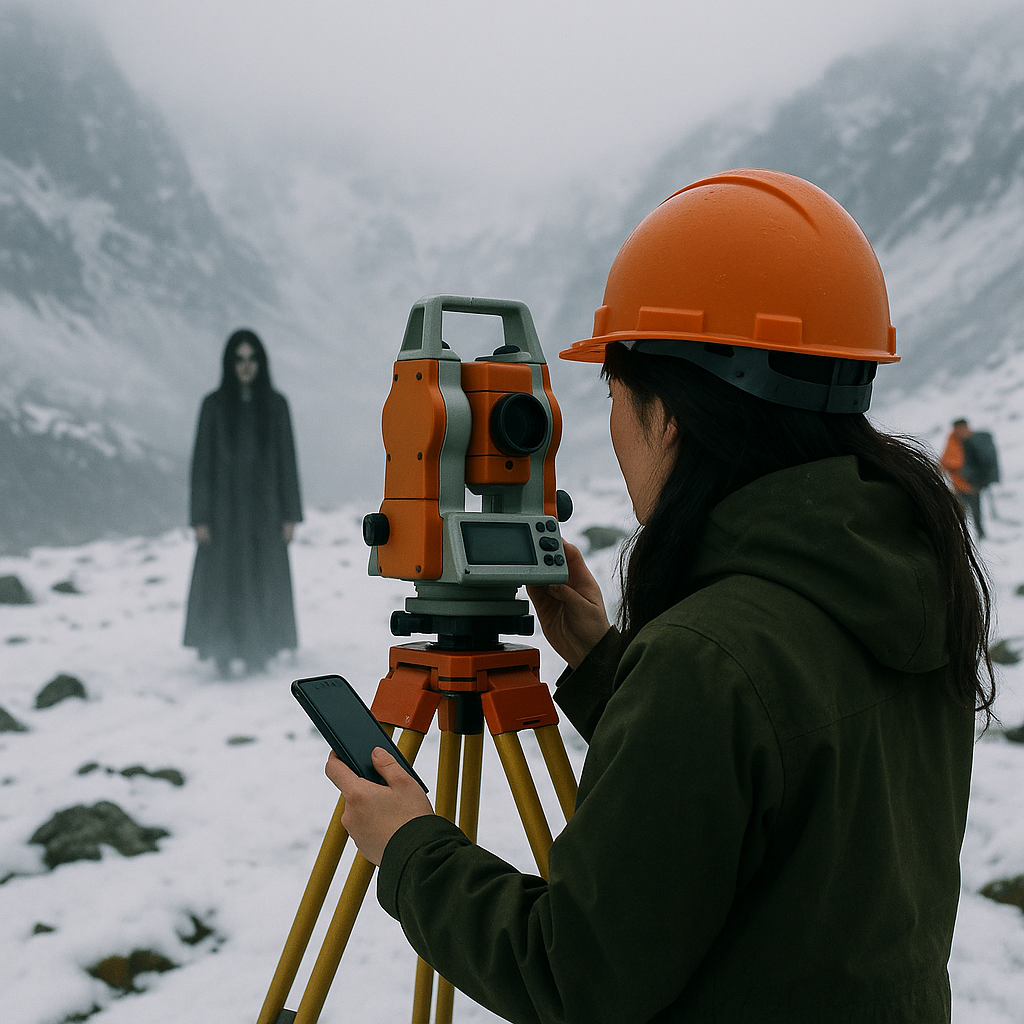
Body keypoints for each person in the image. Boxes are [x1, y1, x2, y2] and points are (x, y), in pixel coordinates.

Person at [325, 170, 995, 1022]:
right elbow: (781, 803)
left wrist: (410, 847)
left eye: (612, 392)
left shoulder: (709, 660)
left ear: (670, 413)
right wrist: (612, 667)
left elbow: (574, 976)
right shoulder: (903, 581)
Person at [184, 328, 302, 678]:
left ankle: (259, 650)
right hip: (223, 514)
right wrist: (200, 518)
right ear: (229, 363)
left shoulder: (276, 405)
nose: (246, 366)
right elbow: (201, 464)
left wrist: (290, 515)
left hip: (265, 513)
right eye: (239, 359)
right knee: (224, 581)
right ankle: (222, 651)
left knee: (262, 578)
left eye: (252, 359)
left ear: (261, 363)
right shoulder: (214, 406)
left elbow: (287, 461)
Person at [941, 418, 999, 538]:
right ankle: (959, 537)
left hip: (974, 486)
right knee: (959, 514)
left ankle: (981, 536)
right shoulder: (952, 443)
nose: (962, 431)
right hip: (958, 486)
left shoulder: (974, 441)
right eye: (959, 429)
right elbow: (946, 462)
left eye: (964, 428)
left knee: (976, 513)